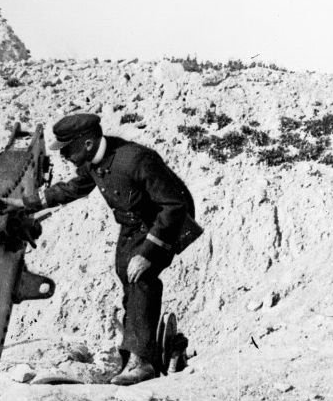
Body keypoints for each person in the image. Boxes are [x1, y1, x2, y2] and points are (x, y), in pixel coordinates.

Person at [17, 113, 199, 386]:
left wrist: (149, 251)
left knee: (141, 276)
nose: (64, 155)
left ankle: (144, 362)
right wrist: (27, 203)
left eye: (67, 149)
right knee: (125, 274)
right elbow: (74, 188)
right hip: (133, 226)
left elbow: (174, 205)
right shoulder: (94, 160)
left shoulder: (135, 159)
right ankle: (137, 352)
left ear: (88, 143)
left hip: (164, 223)